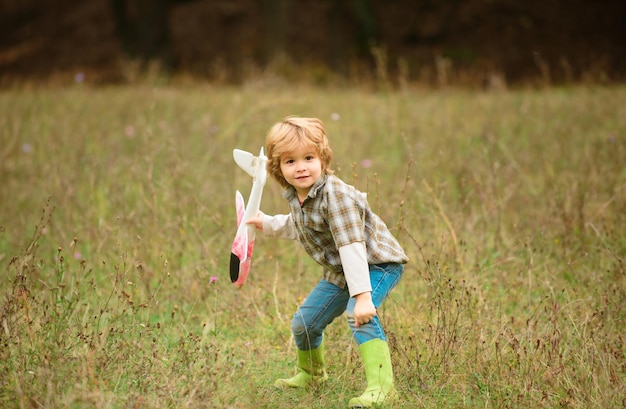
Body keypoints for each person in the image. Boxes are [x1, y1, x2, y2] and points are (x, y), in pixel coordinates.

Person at [245, 116, 408, 408]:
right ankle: (312, 375)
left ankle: (383, 389)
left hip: (375, 263)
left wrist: (362, 297)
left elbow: (352, 246)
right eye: (290, 161)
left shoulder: (337, 197)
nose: (301, 167)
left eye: (309, 157)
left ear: (322, 158)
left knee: (359, 316)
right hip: (342, 270)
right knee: (304, 323)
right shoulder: (299, 196)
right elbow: (302, 224)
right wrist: (267, 224)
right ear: (278, 168)